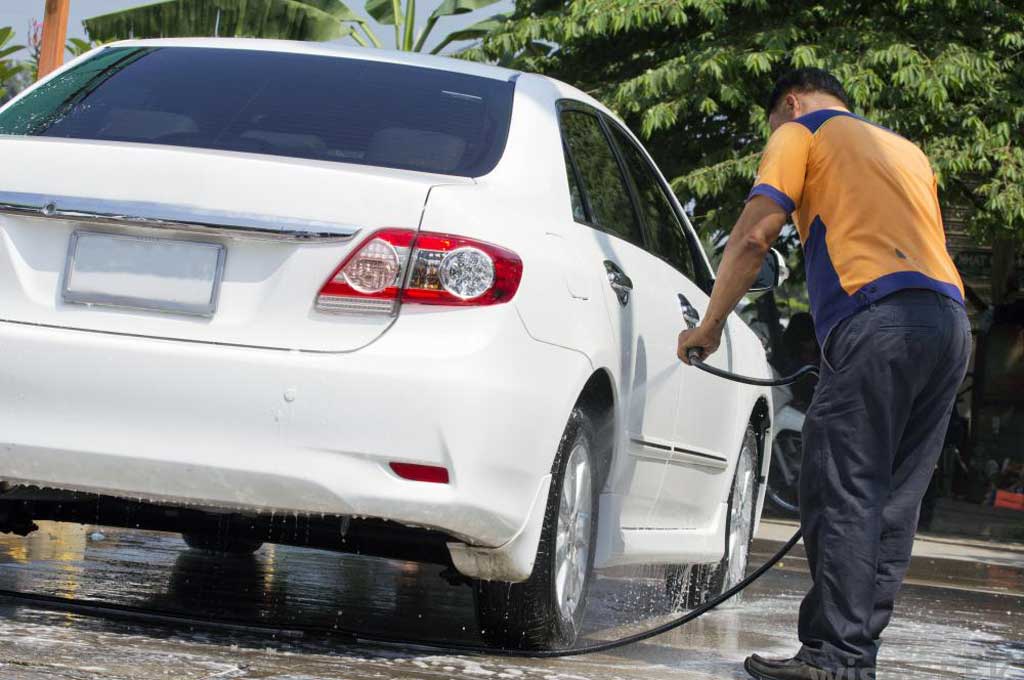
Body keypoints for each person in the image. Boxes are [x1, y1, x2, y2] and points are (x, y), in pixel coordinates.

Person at [677, 68, 971, 680]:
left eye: (770, 128)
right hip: (948, 325)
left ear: (789, 102)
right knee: (892, 502)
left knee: (841, 486)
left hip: (878, 319)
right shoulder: (906, 151)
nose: (771, 139)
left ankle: (833, 658)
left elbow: (757, 234)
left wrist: (707, 327)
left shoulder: (802, 130)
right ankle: (850, 658)